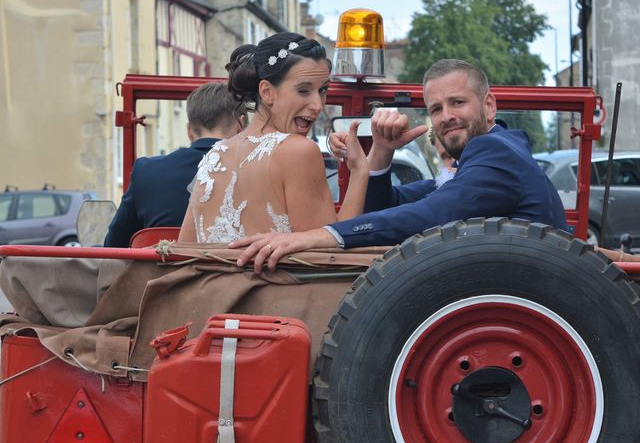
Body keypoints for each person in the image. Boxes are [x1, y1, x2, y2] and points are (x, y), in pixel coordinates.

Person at [230, 59, 568, 272]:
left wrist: (315, 237)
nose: (446, 116)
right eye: (436, 109)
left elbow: (431, 214)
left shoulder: (496, 152)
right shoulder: (485, 158)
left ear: (489, 106)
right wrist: (381, 152)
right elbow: (391, 207)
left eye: (458, 103)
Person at [178, 32, 368, 243]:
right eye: (304, 91)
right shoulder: (299, 151)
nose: (318, 105)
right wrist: (359, 170)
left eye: (323, 90)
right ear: (267, 92)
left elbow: (185, 248)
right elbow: (328, 252)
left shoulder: (215, 156)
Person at [103, 82, 247, 247]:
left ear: (189, 131)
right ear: (240, 126)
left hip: (160, 272)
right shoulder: (258, 172)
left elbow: (114, 245)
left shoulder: (146, 171)